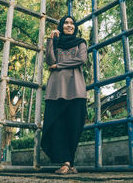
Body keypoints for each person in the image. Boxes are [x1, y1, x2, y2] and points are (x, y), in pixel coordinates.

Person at [41, 15, 87, 175]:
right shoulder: (56, 43)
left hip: (76, 90)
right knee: (56, 125)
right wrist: (50, 40)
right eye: (66, 23)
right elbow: (49, 60)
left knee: (74, 126)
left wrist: (59, 65)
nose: (69, 25)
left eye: (72, 23)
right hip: (56, 91)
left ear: (75, 27)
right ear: (61, 26)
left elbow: (81, 59)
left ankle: (70, 162)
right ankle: (66, 163)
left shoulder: (80, 42)